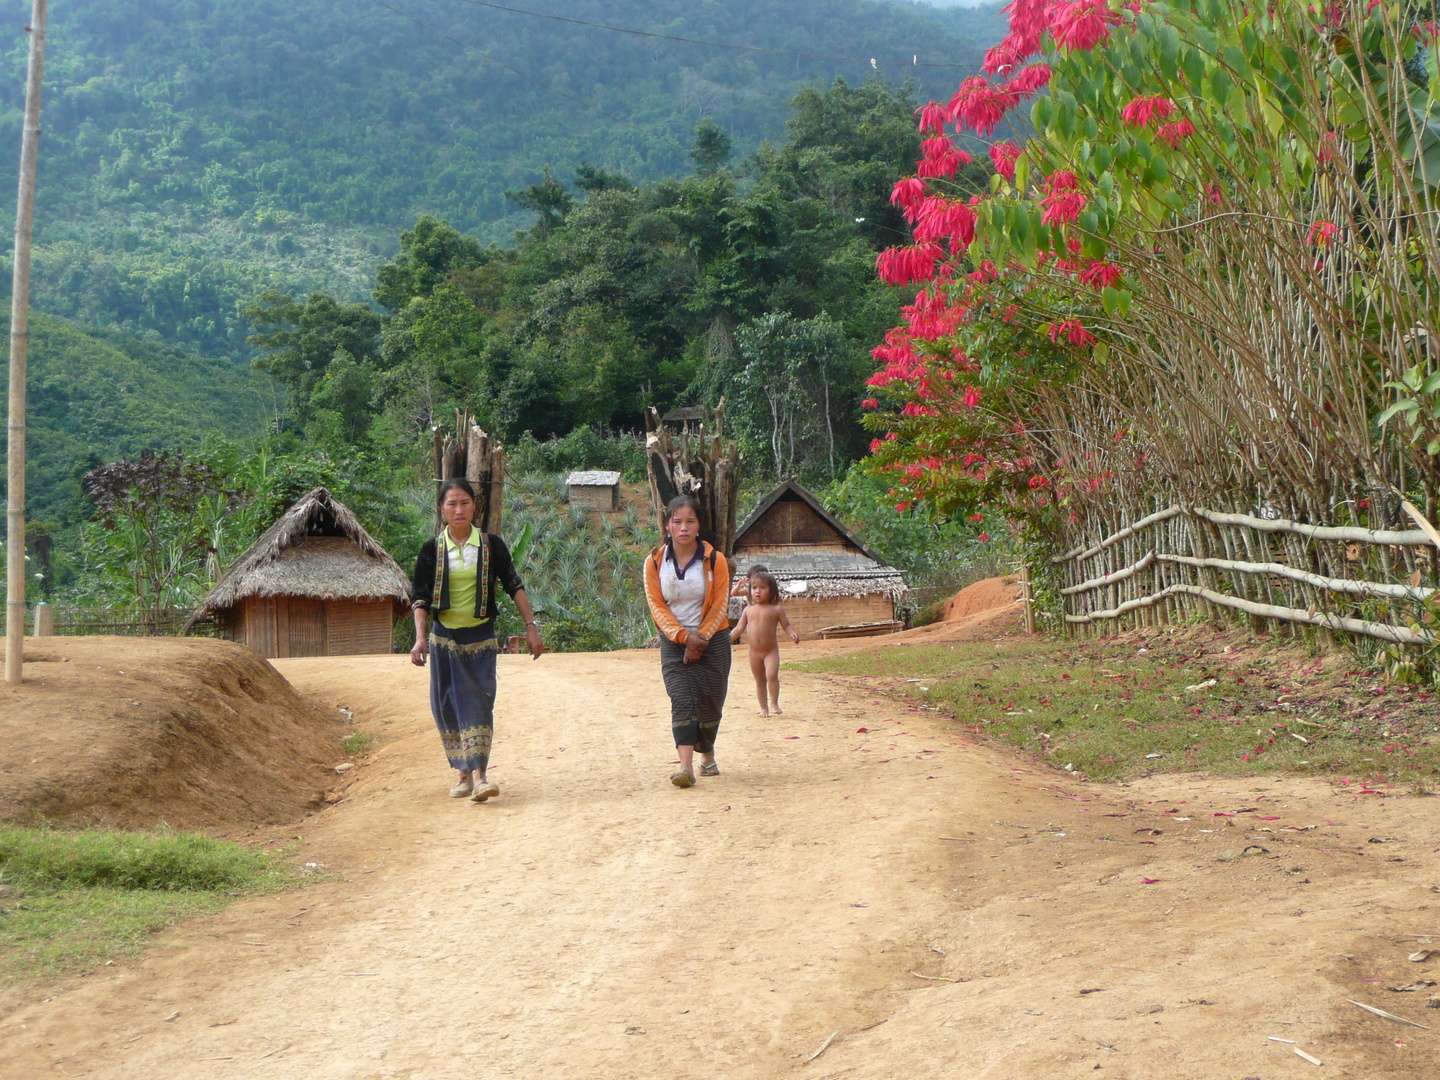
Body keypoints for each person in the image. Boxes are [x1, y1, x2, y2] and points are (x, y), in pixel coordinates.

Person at [410, 478, 544, 802]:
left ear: (475, 506)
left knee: (479, 703)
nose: (459, 509)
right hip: (444, 640)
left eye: (465, 502)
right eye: (452, 504)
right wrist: (419, 639)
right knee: (446, 705)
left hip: (481, 639)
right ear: (441, 509)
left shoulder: (490, 545)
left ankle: (482, 777)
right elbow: (420, 598)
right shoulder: (431, 550)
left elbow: (514, 585)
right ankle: (463, 775)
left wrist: (531, 626)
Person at [643, 494, 732, 788]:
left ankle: (707, 754)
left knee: (709, 701)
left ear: (698, 526)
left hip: (714, 639)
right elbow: (656, 605)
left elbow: (720, 603)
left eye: (689, 521)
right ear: (667, 525)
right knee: (681, 699)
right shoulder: (654, 563)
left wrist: (701, 638)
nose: (683, 527)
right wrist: (683, 637)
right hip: (673, 641)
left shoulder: (715, 560)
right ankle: (685, 767)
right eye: (677, 521)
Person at [729, 569, 799, 717]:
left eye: (762, 587)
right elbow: (739, 628)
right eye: (754, 588)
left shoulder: (776, 610)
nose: (757, 591)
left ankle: (774, 702)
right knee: (760, 681)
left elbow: (786, 625)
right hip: (754, 652)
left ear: (772, 591)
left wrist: (791, 633)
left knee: (772, 674)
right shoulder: (748, 610)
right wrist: (726, 639)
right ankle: (763, 708)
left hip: (770, 651)